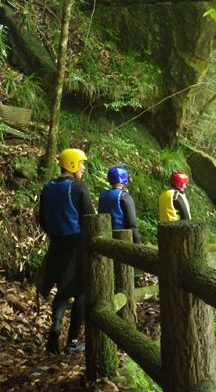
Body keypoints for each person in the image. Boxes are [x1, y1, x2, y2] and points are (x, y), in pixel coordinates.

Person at [38, 148, 94, 355]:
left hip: (56, 246)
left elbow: (42, 219)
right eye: (81, 163)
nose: (83, 167)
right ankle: (71, 342)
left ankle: (55, 330)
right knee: (81, 292)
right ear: (71, 164)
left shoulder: (48, 187)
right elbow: (91, 219)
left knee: (62, 290)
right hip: (76, 246)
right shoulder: (78, 188)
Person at [98, 165, 140, 243]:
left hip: (104, 238)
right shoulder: (124, 196)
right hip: (122, 238)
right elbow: (132, 223)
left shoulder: (103, 195)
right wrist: (138, 242)